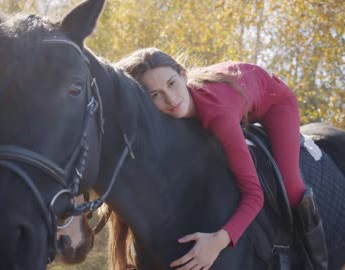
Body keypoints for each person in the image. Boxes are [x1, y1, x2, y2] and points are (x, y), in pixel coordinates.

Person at [116, 47, 328, 270]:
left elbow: (255, 195)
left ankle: (318, 262)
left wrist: (218, 242)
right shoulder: (168, 107)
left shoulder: (219, 116)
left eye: (171, 84)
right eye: (155, 94)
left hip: (274, 101)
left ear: (183, 75)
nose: (170, 100)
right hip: (235, 86)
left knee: (291, 184)